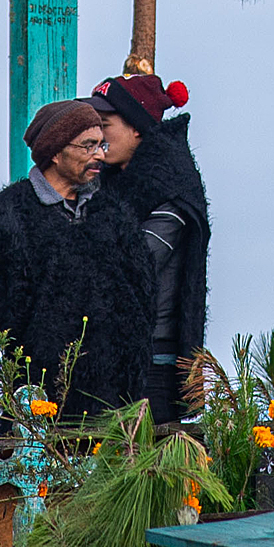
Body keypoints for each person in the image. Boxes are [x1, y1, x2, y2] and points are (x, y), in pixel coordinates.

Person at [0, 101, 164, 416]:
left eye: (100, 144)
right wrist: (15, 322)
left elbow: (143, 287)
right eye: (89, 146)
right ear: (56, 152)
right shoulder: (12, 211)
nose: (100, 155)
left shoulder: (113, 213)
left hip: (112, 399)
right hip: (38, 393)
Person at [91, 71, 211, 412]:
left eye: (104, 124)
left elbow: (137, 261)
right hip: (116, 356)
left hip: (154, 364)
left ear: (137, 127)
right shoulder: (110, 183)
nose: (96, 136)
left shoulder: (171, 187)